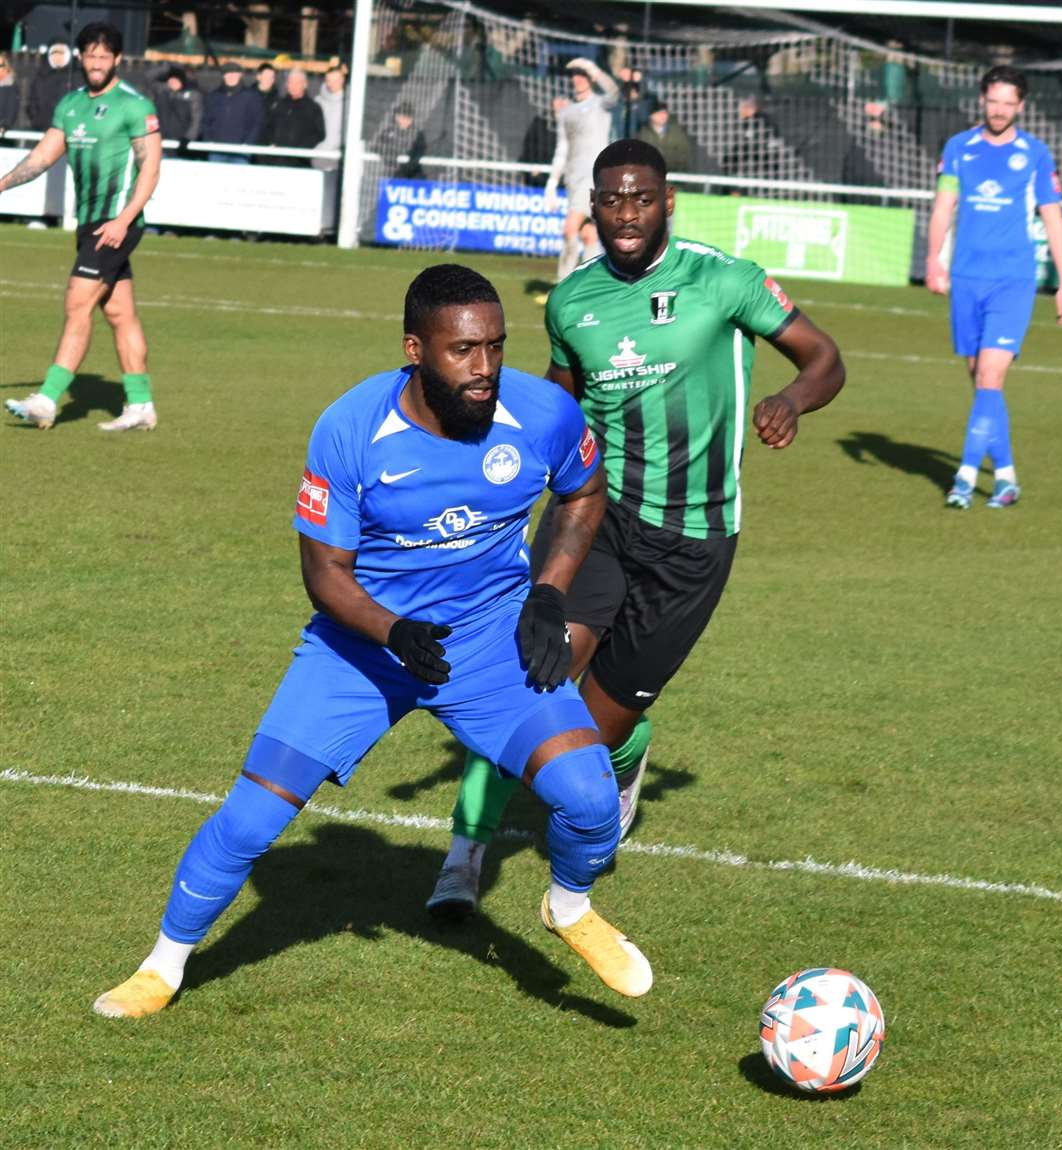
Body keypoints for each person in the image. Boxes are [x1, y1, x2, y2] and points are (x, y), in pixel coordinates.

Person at [90, 264, 653, 1019]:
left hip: (487, 645)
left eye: (495, 346)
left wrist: (548, 595)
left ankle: (570, 908)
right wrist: (392, 629)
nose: (484, 369)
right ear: (416, 349)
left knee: (587, 798)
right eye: (463, 351)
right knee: (252, 819)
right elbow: (324, 573)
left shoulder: (543, 411)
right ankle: (162, 966)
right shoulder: (352, 429)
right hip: (362, 650)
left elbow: (583, 491)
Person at [426, 139, 845, 919]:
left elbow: (824, 357)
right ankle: (463, 855)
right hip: (596, 521)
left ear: (668, 200)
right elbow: (559, 410)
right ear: (593, 204)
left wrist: (791, 400)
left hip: (696, 542)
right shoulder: (571, 302)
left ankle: (625, 753)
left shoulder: (725, 280)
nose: (625, 215)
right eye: (611, 200)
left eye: (641, 199)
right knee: (531, 679)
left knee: (596, 723)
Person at [926, 65, 1062, 510]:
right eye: (994, 101)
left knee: (991, 376)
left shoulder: (1035, 154)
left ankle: (964, 480)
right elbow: (943, 206)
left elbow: (1052, 218)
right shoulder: (959, 148)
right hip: (967, 279)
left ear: (1021, 106)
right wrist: (933, 259)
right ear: (982, 99)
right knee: (982, 383)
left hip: (1013, 281)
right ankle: (1007, 477)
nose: (1000, 110)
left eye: (1009, 103)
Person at [1, 22, 162, 433]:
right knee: (120, 313)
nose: (97, 63)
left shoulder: (134, 105)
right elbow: (41, 158)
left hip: (117, 223)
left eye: (104, 56)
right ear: (80, 57)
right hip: (89, 223)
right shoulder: (70, 105)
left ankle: (48, 399)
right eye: (90, 55)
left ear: (118, 60)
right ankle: (141, 404)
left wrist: (124, 220)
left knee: (77, 302)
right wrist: (0, 185)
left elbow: (150, 169)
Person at [544, 57, 620, 283]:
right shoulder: (567, 111)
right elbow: (562, 147)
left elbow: (615, 93)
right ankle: (584, 287)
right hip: (574, 180)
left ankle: (563, 285)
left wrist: (594, 68)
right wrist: (551, 183)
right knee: (588, 236)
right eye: (575, 75)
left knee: (571, 230)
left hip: (596, 179)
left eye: (583, 75)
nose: (578, 79)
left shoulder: (600, 104)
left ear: (590, 78)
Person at [200, 61, 263, 163]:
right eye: (228, 73)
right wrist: (208, 141)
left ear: (240, 75)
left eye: (235, 73)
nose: (231, 76)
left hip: (241, 151)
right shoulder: (213, 96)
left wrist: (248, 143)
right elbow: (205, 120)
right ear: (223, 76)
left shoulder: (251, 96)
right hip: (216, 150)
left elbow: (256, 122)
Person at [265, 68, 325, 166]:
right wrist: (271, 143)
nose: (293, 86)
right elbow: (268, 127)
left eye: (297, 83)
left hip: (299, 163)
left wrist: (299, 150)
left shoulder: (313, 108)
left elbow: (319, 134)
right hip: (275, 161)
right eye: (290, 82)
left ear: (305, 84)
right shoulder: (279, 105)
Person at [28, 41, 75, 131]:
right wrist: (36, 118)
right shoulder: (41, 76)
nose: (57, 56)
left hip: (69, 127)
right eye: (54, 52)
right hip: (43, 127)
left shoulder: (76, 75)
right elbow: (32, 100)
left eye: (61, 52)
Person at [636, 101, 691, 176]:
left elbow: (684, 154)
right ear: (651, 116)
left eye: (665, 113)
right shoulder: (642, 134)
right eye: (660, 113)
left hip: (674, 176)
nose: (663, 116)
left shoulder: (677, 132)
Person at [153, 64, 202, 148]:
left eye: (175, 80)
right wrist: (166, 68)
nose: (172, 83)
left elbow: (197, 120)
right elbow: (148, 78)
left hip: (181, 142)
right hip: (161, 141)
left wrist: (188, 138)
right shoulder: (162, 94)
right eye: (170, 80)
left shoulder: (193, 96)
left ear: (181, 81)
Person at [520, 96, 564, 188]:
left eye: (563, 99)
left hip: (563, 178)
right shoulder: (540, 122)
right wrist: (531, 167)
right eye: (558, 99)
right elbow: (528, 146)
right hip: (540, 177)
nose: (561, 103)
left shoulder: (573, 123)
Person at [375, 102, 426, 179]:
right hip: (391, 173)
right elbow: (377, 146)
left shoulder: (417, 134)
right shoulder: (388, 131)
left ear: (411, 118)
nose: (403, 119)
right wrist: (389, 158)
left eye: (407, 116)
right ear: (396, 116)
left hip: (413, 175)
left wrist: (408, 166)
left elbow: (420, 151)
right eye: (401, 115)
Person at [313, 65, 346, 173]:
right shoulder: (318, 101)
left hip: (338, 159)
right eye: (328, 80)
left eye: (335, 80)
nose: (331, 84)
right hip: (317, 156)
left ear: (342, 80)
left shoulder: (349, 103)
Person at [0, 52, 20, 134]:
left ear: (6, 67)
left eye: (0, 66)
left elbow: (11, 110)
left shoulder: (10, 86)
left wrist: (4, 126)